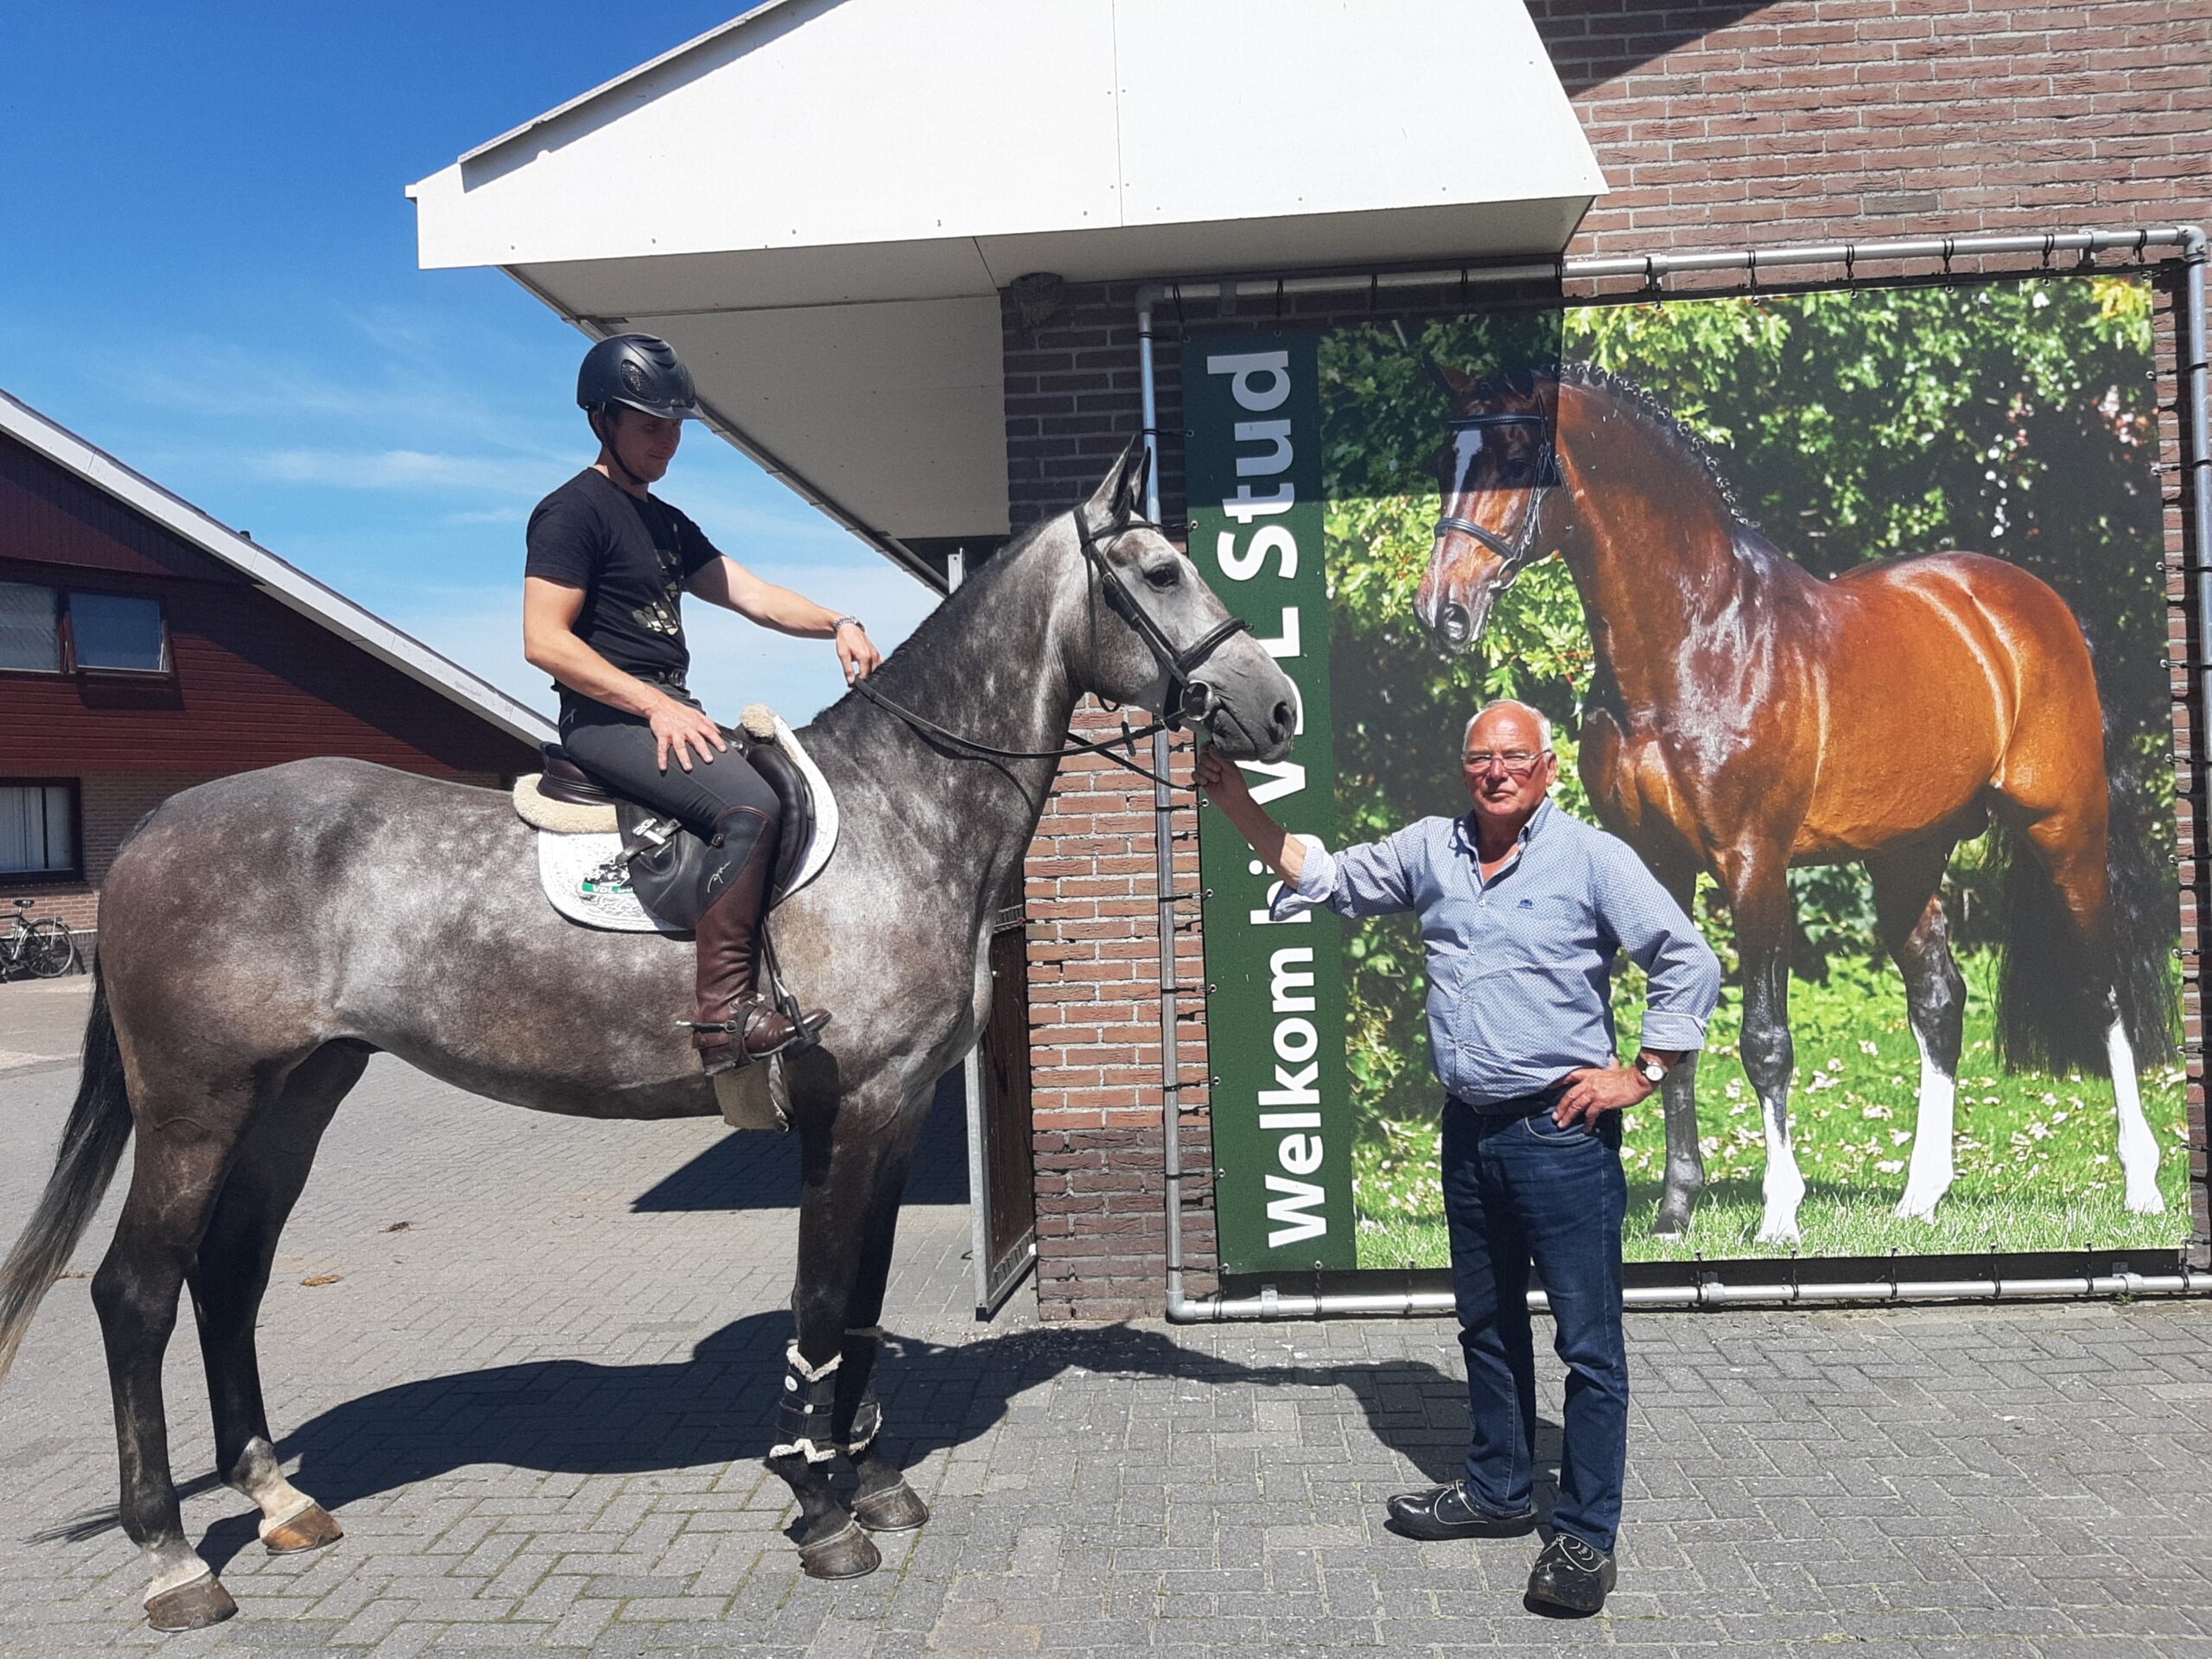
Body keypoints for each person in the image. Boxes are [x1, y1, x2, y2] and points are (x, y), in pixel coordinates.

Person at [1194, 699, 1720, 1617]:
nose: (1497, 772)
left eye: (1514, 757)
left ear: (1546, 767)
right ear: (1465, 769)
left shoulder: (1591, 857)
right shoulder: (1431, 849)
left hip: (1561, 1136)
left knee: (1589, 1348)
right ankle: (1500, 1490)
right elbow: (1327, 876)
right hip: (1470, 1133)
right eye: (1481, 758)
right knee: (1486, 1325)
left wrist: (1640, 1073)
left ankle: (1584, 1538)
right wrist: (1237, 802)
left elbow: (1687, 958)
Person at [522, 334, 881, 1073]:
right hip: (606, 718)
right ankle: (725, 1017)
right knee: (750, 806)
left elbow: (755, 596)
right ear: (601, 421)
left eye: (676, 426)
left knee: (788, 778)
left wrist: (838, 621)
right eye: (650, 425)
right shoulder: (571, 512)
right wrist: (653, 706)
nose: (668, 441)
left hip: (667, 707)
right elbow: (544, 641)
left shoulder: (668, 524)